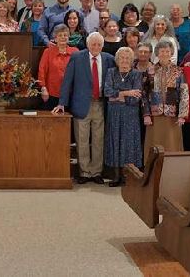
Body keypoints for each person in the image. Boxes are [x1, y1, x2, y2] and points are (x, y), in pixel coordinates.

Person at [54, 32, 116, 185]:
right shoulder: (77, 57)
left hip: (100, 104)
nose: (96, 47)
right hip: (81, 104)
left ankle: (96, 172)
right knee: (82, 139)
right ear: (88, 45)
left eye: (99, 45)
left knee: (98, 139)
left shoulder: (109, 59)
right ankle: (84, 172)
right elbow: (67, 81)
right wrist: (62, 103)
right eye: (93, 44)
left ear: (102, 46)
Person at [103, 47, 143, 187]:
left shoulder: (136, 75)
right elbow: (107, 92)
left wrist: (118, 96)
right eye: (122, 58)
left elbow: (135, 98)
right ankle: (116, 177)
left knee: (128, 143)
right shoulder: (111, 72)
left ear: (132, 61)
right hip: (114, 114)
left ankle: (128, 177)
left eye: (127, 58)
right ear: (117, 60)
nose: (124, 61)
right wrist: (127, 93)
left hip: (130, 115)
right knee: (115, 141)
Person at [145, 41, 189, 153]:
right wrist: (146, 114)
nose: (164, 54)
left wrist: (182, 115)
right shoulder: (150, 71)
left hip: (173, 116)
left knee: (172, 145)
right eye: (162, 51)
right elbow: (145, 94)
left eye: (167, 51)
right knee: (154, 146)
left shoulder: (178, 71)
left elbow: (184, 93)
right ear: (157, 53)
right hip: (155, 116)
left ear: (171, 53)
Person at [38, 25, 79, 110]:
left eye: (65, 35)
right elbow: (42, 70)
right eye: (60, 35)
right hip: (52, 93)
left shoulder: (75, 52)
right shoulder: (48, 52)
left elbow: (79, 72)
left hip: (70, 94)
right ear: (55, 38)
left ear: (68, 37)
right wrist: (43, 87)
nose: (63, 37)